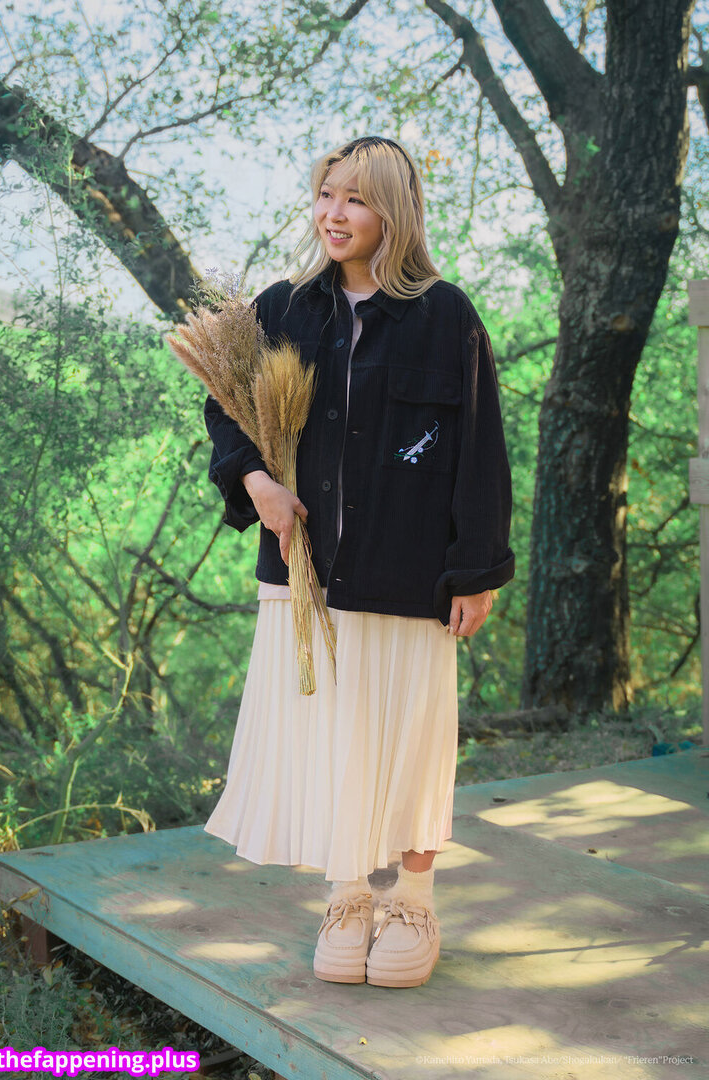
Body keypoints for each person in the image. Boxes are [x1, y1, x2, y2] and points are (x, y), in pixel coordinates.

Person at [203, 135, 515, 989]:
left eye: (355, 198)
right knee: (328, 743)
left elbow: (481, 449)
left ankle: (413, 901)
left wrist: (476, 570)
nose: (333, 213)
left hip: (410, 575)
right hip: (304, 577)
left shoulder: (446, 316)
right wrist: (257, 480)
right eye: (325, 194)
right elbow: (224, 409)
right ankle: (346, 898)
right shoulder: (283, 309)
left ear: (394, 211)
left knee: (413, 740)